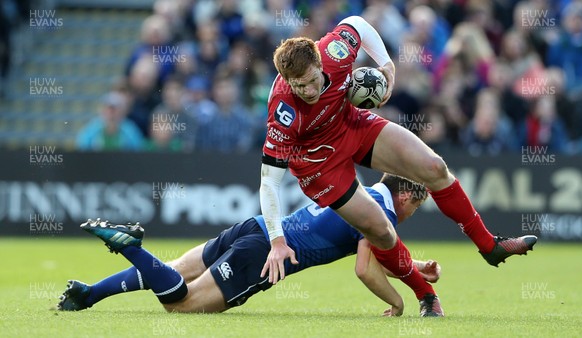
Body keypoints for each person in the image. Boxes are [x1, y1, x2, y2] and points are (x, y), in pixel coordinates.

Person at [258, 16, 537, 303]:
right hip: (319, 165)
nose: (309, 91)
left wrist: (387, 64)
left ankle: (490, 246)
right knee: (380, 231)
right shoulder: (283, 113)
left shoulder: (333, 51)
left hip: (349, 124)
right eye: (299, 86)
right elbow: (269, 182)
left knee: (434, 167)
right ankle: (426, 294)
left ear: (319, 63)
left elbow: (359, 24)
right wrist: (277, 241)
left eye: (312, 81)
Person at [57, 175, 444, 317]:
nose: (412, 214)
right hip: (263, 255)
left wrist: (414, 263)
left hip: (257, 228)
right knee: (181, 303)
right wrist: (398, 301)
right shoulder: (382, 215)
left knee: (173, 270)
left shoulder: (356, 188)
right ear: (407, 197)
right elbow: (365, 268)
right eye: (417, 206)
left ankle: (89, 295)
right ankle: (132, 247)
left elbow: (379, 255)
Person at [76, 91, 144, 151]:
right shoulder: (90, 130)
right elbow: (82, 149)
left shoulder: (131, 130)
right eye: (108, 108)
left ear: (122, 111)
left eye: (114, 109)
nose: (111, 112)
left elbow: (137, 149)